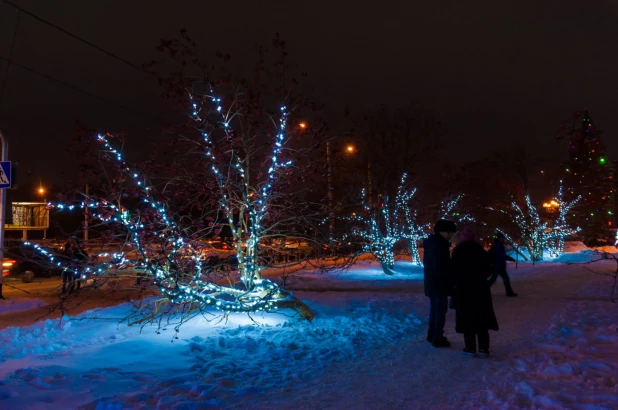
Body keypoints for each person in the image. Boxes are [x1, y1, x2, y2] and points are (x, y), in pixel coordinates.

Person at [451, 228, 499, 357]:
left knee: (467, 319)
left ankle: (470, 347)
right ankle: (484, 348)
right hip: (480, 289)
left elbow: (453, 272)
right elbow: (488, 271)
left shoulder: (457, 252)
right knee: (481, 318)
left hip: (463, 290)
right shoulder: (480, 252)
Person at [423, 218, 457, 348]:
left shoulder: (433, 243)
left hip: (433, 283)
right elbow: (441, 267)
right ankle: (437, 337)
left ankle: (432, 334)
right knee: (440, 311)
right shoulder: (439, 245)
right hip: (439, 284)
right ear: (441, 231)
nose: (450, 235)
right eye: (448, 232)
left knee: (435, 309)